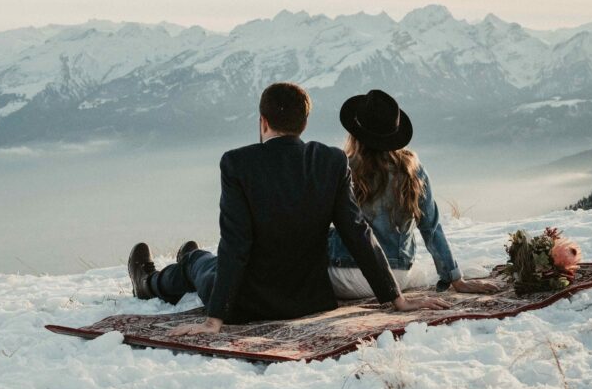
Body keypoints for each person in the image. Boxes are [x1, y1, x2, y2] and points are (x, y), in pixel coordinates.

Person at [126, 82, 451, 337]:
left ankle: (150, 282)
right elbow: (357, 232)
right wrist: (395, 299)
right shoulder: (331, 161)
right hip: (311, 299)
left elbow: (236, 244)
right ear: (305, 122)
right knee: (203, 262)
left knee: (200, 265)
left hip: (248, 302)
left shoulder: (237, 163)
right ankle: (190, 258)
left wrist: (214, 318)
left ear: (263, 120)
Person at [326, 89, 501, 298]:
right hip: (396, 278)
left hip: (342, 277)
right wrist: (456, 278)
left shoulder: (343, 166)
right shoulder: (412, 171)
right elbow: (431, 228)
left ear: (355, 133)